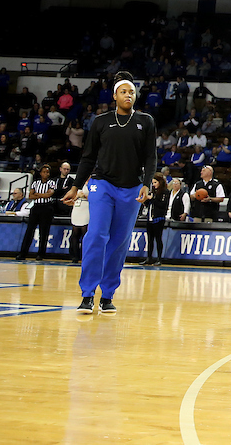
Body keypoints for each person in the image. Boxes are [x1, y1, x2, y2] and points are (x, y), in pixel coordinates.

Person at [72, 72, 157, 316]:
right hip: (102, 185)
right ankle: (87, 294)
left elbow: (151, 157)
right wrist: (76, 186)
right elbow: (88, 157)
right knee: (96, 235)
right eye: (124, 91)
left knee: (119, 243)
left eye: (132, 91)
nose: (128, 95)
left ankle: (107, 295)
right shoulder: (100, 122)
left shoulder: (146, 121)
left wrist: (147, 184)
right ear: (114, 96)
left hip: (131, 188)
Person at [15, 164, 57, 261]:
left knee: (44, 232)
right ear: (40, 173)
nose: (46, 174)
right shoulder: (35, 183)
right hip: (36, 207)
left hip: (47, 208)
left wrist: (37, 194)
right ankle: (23, 253)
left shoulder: (52, 183)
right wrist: (43, 194)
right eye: (44, 172)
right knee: (29, 231)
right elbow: (30, 196)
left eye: (47, 172)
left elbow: (49, 195)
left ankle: (41, 254)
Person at [140, 173, 169, 266]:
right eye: (152, 183)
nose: (153, 184)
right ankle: (149, 258)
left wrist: (153, 199)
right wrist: (145, 200)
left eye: (155, 182)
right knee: (150, 239)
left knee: (158, 238)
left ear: (160, 182)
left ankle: (159, 258)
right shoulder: (153, 191)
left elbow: (163, 205)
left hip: (159, 218)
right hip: (150, 217)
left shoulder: (165, 192)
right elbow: (149, 204)